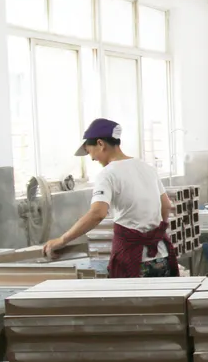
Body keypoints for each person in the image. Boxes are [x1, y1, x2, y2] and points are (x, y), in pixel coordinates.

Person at [43, 118, 178, 278]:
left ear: (100, 144)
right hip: (161, 256)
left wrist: (62, 240)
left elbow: (97, 213)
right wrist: (153, 233)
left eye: (89, 151)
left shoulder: (107, 174)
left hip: (134, 261)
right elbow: (166, 205)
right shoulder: (147, 168)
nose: (92, 158)